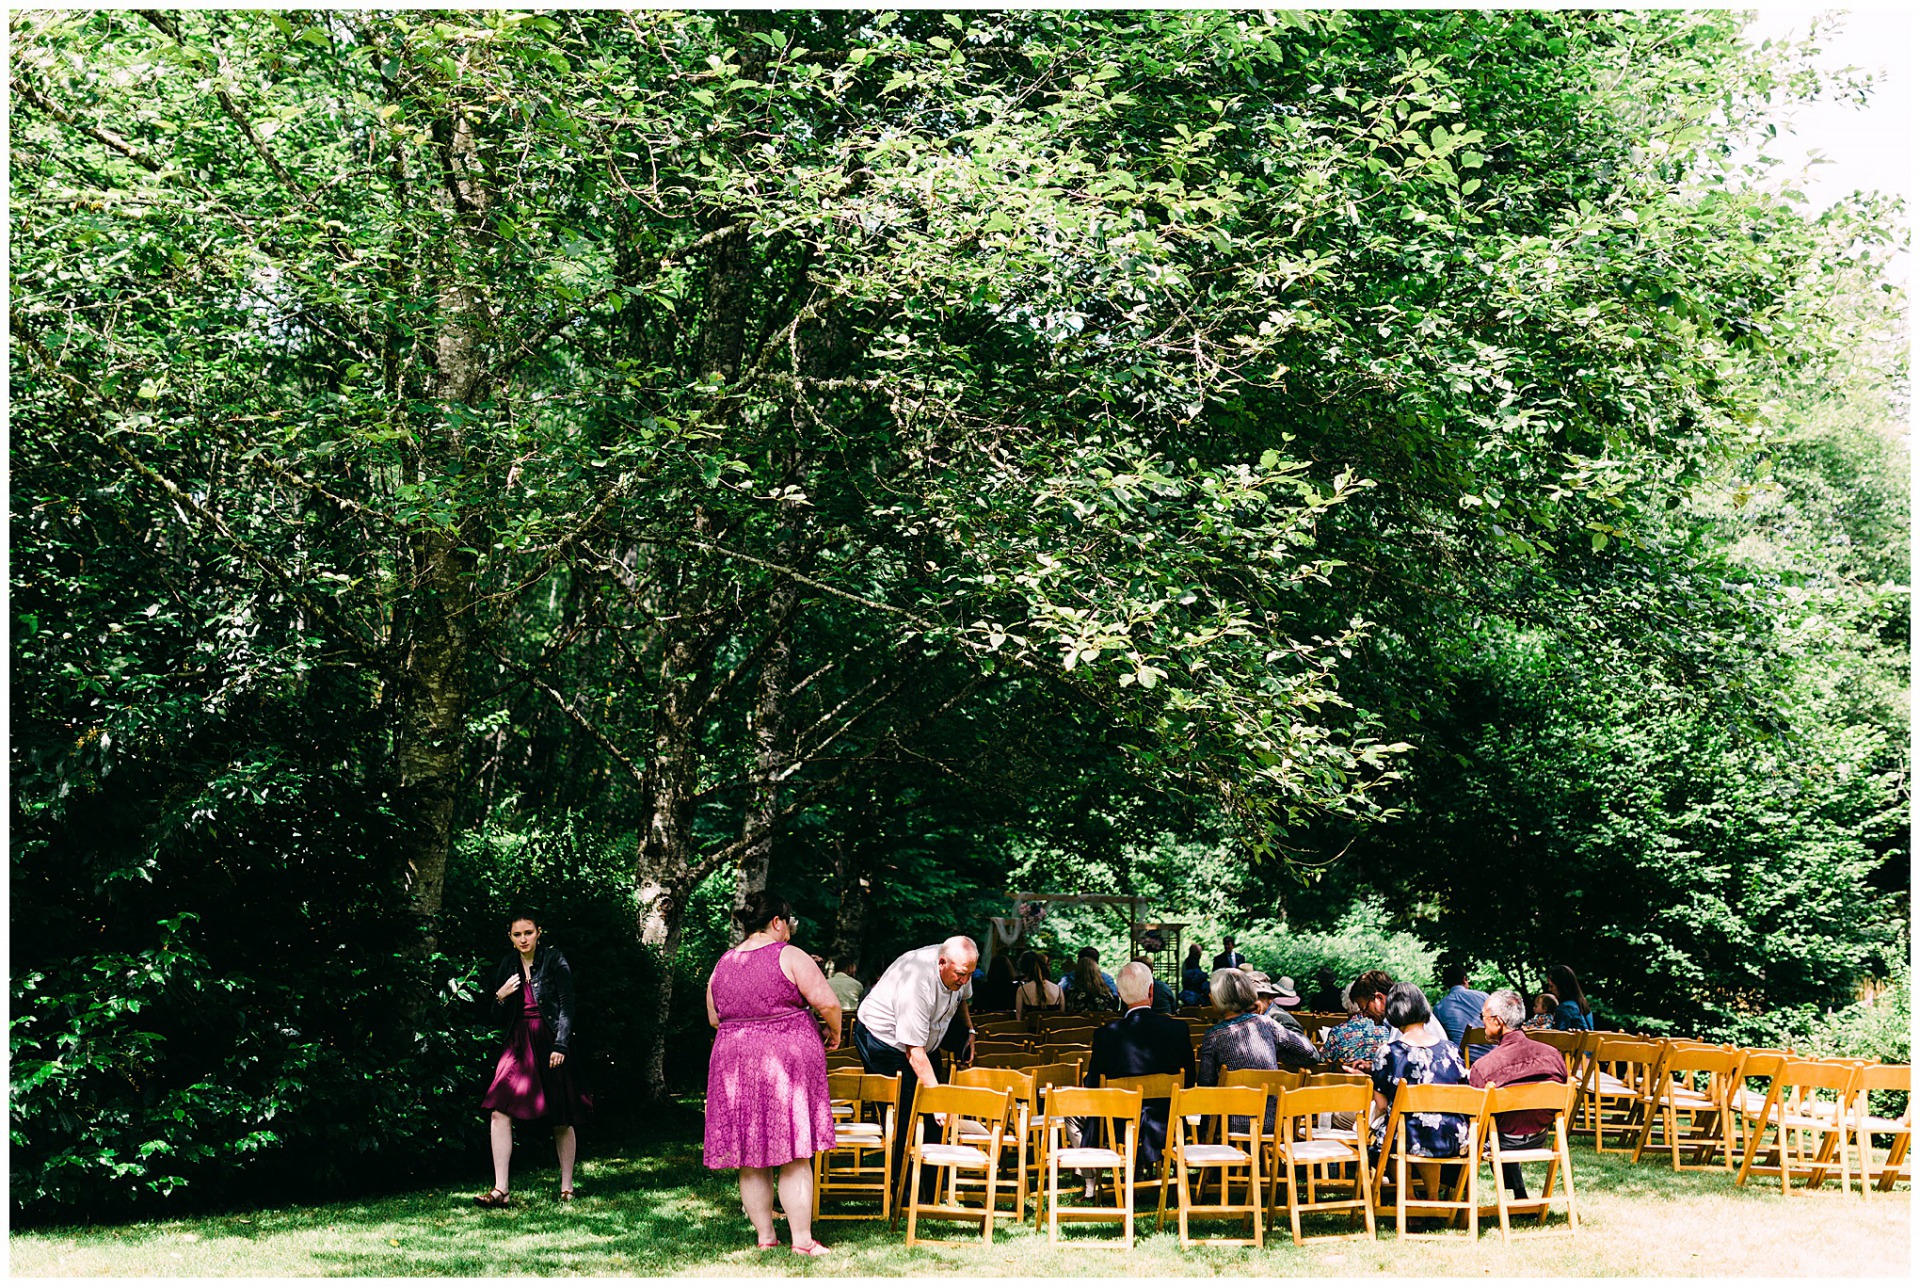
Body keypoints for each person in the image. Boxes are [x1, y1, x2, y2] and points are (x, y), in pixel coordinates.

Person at [702, 892, 841, 1256]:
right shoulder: (789, 955)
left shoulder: (724, 962)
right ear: (777, 921)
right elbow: (827, 1002)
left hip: (734, 1060)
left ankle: (765, 1236)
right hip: (786, 1057)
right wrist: (836, 1031)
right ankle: (802, 1241)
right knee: (796, 1151)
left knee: (750, 1153)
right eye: (789, 921)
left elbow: (714, 1018)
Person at [854, 936, 979, 1202]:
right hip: (883, 1040)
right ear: (941, 962)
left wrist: (969, 1031)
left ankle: (936, 1188)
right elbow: (914, 1052)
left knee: (934, 1118)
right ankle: (904, 1192)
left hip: (925, 1042)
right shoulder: (917, 983)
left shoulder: (960, 968)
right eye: (960, 974)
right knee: (905, 1114)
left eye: (969, 974)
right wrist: (938, 1102)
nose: (964, 980)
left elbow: (962, 999)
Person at [477, 911, 585, 1208]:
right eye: (517, 934)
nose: (523, 939)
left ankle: (566, 1186)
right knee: (499, 1111)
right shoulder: (507, 965)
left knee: (560, 1115)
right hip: (517, 1043)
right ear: (510, 938)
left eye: (528, 932)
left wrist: (561, 1044)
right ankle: (501, 1190)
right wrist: (500, 996)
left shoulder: (554, 960)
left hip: (550, 1041)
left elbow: (567, 1004)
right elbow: (496, 1017)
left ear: (539, 932)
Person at [1086, 961, 1195, 1171]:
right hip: (1166, 1120)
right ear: (1151, 990)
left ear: (1119, 994)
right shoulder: (1177, 1029)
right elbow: (1188, 1080)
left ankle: (1090, 1180)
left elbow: (1093, 1086)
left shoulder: (1105, 1035)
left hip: (1118, 1122)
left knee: (1074, 1113)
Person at [1467, 989, 1568, 1200]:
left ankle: (1453, 1196)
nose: (1482, 1022)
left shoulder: (1484, 1067)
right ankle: (1519, 1193)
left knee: (1479, 1128)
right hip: (1541, 1135)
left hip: (1503, 1140)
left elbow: (1475, 1116)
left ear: (1497, 1021)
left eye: (1483, 1017)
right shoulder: (1553, 1056)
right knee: (1504, 1122)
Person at [1199, 969, 1316, 1138]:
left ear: (1219, 998)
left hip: (1230, 1125)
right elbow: (1310, 1053)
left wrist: (1205, 1136)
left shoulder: (1213, 1036)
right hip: (1272, 1122)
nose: (1210, 995)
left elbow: (1205, 1089)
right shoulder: (1268, 1024)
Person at [1368, 983, 1470, 1164]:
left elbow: (1382, 1105)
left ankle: (1408, 1192)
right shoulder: (1451, 1049)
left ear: (1393, 1013)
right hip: (1453, 1137)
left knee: (1386, 1133)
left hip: (1409, 1139)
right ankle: (1431, 1191)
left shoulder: (1388, 1053)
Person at [1320, 970, 1394, 1070]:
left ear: (1379, 998)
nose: (1364, 1015)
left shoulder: (1399, 1028)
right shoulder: (1391, 1027)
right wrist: (1371, 1068)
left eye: (1365, 1009)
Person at [1432, 963, 1491, 1061]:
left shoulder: (1439, 1008)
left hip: (1465, 1063)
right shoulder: (1484, 997)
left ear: (1446, 985)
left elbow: (1440, 1039)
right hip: (1494, 1057)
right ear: (1465, 979)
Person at [1015, 950, 1063, 1017]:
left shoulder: (1022, 989)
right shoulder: (1059, 989)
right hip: (1053, 1027)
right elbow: (1061, 1015)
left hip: (1030, 1027)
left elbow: (1018, 1016)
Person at [1546, 964, 1594, 1031]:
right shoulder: (1584, 1006)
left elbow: (1557, 1037)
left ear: (1561, 987)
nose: (1549, 989)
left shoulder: (1564, 1008)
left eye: (1551, 986)